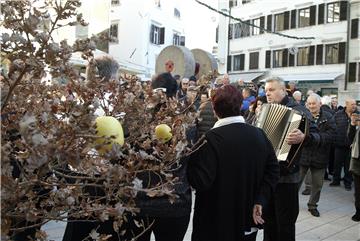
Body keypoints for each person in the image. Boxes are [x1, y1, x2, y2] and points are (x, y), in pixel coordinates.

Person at [187, 84, 280, 241]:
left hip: (215, 224)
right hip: (247, 220)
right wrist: (260, 200)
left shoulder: (210, 140)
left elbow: (200, 181)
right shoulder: (259, 135)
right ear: (239, 106)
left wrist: (189, 158)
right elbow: (273, 171)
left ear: (215, 110)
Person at [262, 76, 319, 241]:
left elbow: (319, 135)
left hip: (287, 176)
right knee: (268, 222)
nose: (268, 94)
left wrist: (304, 137)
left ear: (283, 90)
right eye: (266, 91)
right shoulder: (265, 109)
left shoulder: (299, 110)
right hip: (267, 177)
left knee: (285, 224)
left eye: (271, 90)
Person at [298, 94, 336, 217]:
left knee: (317, 184)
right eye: (309, 104)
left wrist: (316, 138)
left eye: (314, 103)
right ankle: (291, 203)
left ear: (320, 104)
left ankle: (313, 205)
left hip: (320, 156)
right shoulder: (302, 116)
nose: (311, 106)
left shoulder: (328, 117)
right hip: (303, 155)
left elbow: (331, 136)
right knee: (295, 182)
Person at [331, 98, 358, 190]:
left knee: (348, 166)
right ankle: (336, 180)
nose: (354, 106)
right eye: (352, 104)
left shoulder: (358, 115)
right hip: (339, 144)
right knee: (337, 164)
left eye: (355, 104)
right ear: (346, 104)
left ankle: (348, 183)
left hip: (352, 146)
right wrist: (334, 140)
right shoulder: (338, 114)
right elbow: (333, 127)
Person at [349, 112, 360, 221]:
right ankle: (358, 211)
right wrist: (352, 124)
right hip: (357, 162)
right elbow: (350, 137)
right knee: (358, 190)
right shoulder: (358, 124)